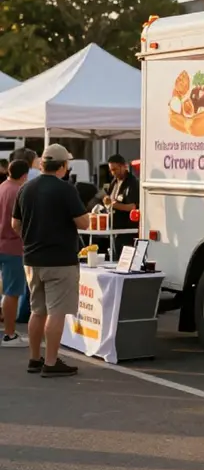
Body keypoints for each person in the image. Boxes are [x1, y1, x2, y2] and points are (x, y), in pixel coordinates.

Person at [11, 144, 90, 377]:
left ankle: (35, 359)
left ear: (43, 164)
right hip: (60, 260)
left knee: (38, 311)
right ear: (63, 166)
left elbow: (15, 224)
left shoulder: (25, 188)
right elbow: (84, 223)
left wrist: (31, 237)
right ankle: (52, 362)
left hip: (32, 258)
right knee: (56, 312)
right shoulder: (66, 190)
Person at [0, 159, 30, 346]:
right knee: (12, 292)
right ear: (25, 175)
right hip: (13, 246)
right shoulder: (19, 192)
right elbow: (22, 222)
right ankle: (9, 334)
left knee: (6, 291)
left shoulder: (2, 187)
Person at [104, 154, 140, 259]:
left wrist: (116, 205)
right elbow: (110, 198)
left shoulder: (132, 183)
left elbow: (133, 207)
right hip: (114, 229)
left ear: (124, 166)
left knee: (125, 259)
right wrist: (106, 200)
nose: (113, 173)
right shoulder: (114, 182)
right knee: (114, 258)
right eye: (111, 170)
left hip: (126, 231)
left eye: (115, 169)